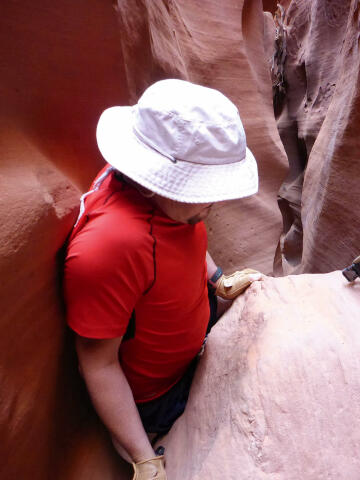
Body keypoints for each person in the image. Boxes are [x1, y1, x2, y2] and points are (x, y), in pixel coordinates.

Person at [63, 79, 261, 479]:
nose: (214, 201)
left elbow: (182, 236)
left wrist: (217, 279)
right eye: (203, 188)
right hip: (159, 394)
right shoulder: (110, 248)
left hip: (189, 337)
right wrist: (143, 457)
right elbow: (98, 364)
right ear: (157, 179)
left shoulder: (160, 196)